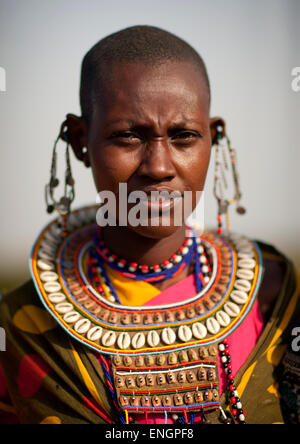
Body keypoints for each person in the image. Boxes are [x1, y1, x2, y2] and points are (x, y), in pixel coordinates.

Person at [0, 25, 299, 425]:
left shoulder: (276, 295)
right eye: (127, 136)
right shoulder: (24, 323)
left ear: (213, 138)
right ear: (79, 140)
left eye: (184, 136)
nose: (159, 167)